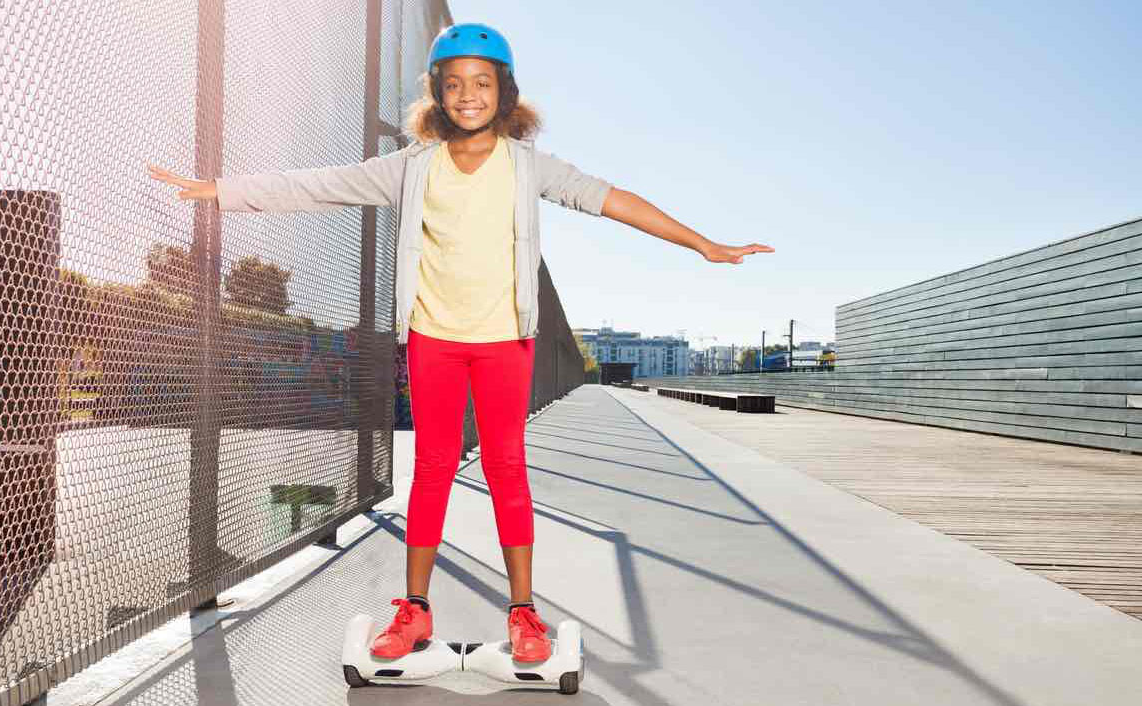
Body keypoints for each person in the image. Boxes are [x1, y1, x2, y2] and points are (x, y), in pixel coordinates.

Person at [148, 22, 773, 664]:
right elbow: (322, 184)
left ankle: (525, 614)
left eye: (482, 82)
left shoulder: (530, 166)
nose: (468, 95)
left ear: (504, 91)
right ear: (437, 93)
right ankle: (414, 610)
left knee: (506, 469)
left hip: (506, 341)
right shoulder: (411, 167)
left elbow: (612, 200)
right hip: (433, 340)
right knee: (433, 468)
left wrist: (701, 242)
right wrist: (225, 191)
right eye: (454, 84)